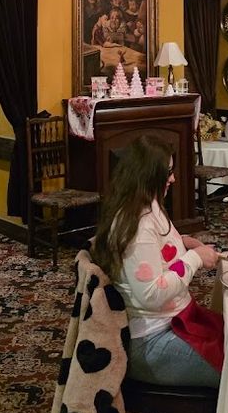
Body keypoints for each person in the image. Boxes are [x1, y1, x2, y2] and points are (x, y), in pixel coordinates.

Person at [91, 134, 221, 388]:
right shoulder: (138, 225)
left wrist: (183, 243)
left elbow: (157, 254)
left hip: (172, 322)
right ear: (149, 175)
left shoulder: (146, 205)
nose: (173, 178)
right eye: (168, 172)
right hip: (152, 341)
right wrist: (195, 258)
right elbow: (151, 293)